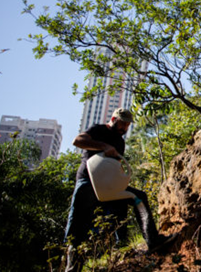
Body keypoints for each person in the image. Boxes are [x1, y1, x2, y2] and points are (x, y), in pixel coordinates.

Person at [64, 108, 176, 271]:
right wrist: (102, 146)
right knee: (77, 226)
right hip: (87, 183)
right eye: (122, 123)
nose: (125, 127)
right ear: (113, 118)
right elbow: (78, 141)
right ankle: (72, 267)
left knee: (138, 198)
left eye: (127, 125)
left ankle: (153, 241)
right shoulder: (99, 130)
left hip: (108, 186)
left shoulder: (120, 143)